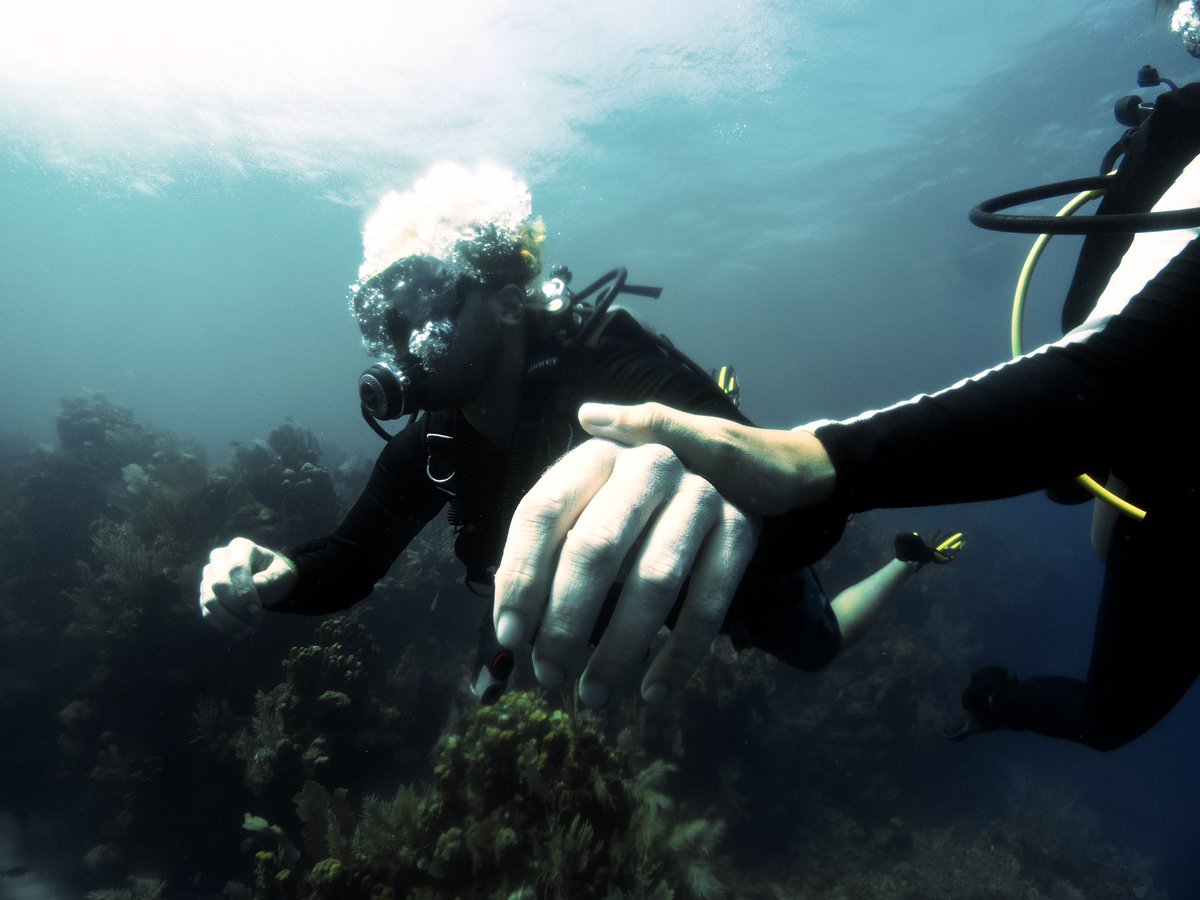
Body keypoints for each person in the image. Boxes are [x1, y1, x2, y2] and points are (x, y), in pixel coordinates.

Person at [495, 11, 1200, 748]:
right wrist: (821, 461)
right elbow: (1109, 369)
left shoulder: (596, 355)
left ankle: (915, 572)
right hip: (1152, 465)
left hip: (1134, 450)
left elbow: (1107, 375)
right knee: (1108, 714)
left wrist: (822, 462)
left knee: (823, 641)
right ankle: (991, 696)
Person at [197, 163, 959, 706]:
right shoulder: (432, 446)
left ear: (503, 303)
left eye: (424, 306)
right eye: (382, 322)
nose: (404, 345)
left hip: (728, 588)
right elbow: (350, 562)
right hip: (597, 632)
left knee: (818, 649)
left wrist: (730, 491)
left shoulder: (627, 384)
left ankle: (906, 564)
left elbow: (816, 510)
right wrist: (280, 575)